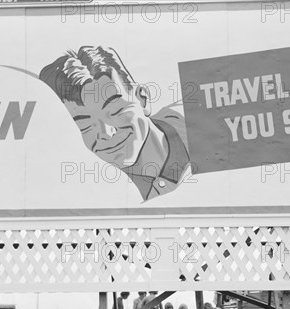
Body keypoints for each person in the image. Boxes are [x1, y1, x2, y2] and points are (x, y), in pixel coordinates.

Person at [39, 46, 190, 201]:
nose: (106, 133)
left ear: (142, 98)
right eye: (85, 126)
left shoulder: (200, 120)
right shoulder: (95, 195)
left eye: (115, 111)